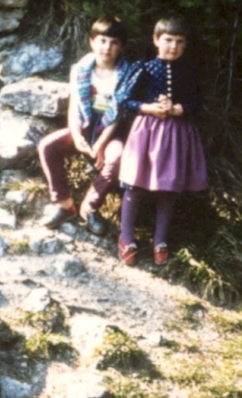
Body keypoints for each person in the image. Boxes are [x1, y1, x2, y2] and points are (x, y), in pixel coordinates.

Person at [116, 16, 207, 266]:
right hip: (146, 132)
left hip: (177, 134)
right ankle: (126, 237)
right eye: (168, 40)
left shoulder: (190, 72)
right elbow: (124, 99)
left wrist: (179, 109)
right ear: (156, 40)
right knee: (134, 183)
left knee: (168, 187)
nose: (173, 47)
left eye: (180, 41)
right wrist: (148, 107)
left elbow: (198, 102)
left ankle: (160, 240)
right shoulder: (145, 68)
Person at [39, 18, 135, 236]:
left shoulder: (125, 74)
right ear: (92, 42)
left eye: (114, 43)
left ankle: (90, 207)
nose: (107, 47)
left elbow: (118, 114)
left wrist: (100, 143)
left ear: (121, 47)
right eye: (102, 41)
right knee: (48, 146)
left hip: (109, 130)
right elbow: (74, 105)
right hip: (84, 125)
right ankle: (65, 205)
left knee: (116, 156)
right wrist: (76, 134)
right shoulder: (81, 69)